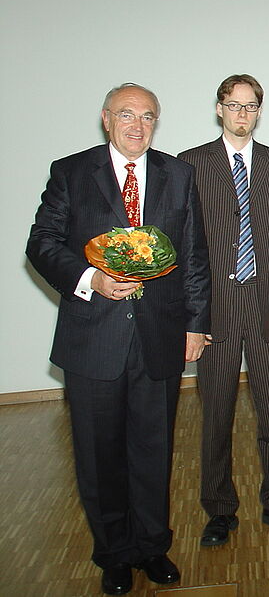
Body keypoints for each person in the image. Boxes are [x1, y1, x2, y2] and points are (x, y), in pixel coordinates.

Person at [26, 83, 211, 595]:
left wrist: (196, 324)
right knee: (99, 454)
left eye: (148, 116)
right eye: (127, 115)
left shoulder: (178, 174)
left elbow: (194, 255)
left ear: (157, 123)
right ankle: (113, 554)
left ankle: (153, 547)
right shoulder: (71, 171)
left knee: (154, 451)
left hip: (159, 337)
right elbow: (41, 242)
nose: (137, 125)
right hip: (93, 340)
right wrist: (91, 278)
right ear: (106, 119)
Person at [179, 74, 269, 546]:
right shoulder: (190, 164)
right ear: (218, 109)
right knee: (216, 412)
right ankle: (219, 509)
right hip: (214, 310)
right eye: (233, 106)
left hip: (268, 306)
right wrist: (192, 318)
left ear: (259, 111)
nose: (242, 114)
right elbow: (186, 247)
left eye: (251, 107)